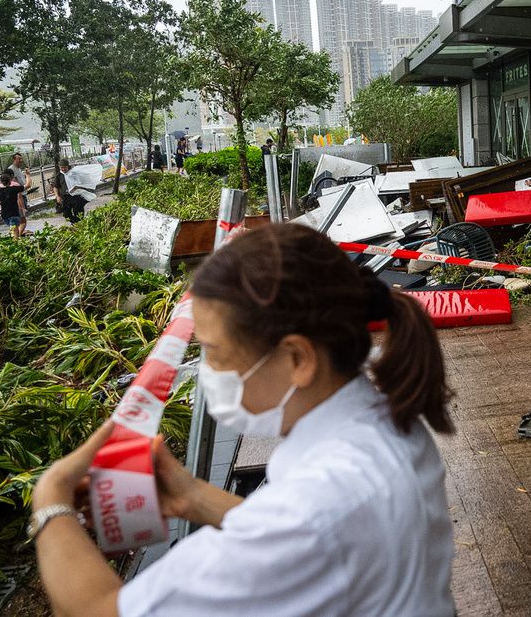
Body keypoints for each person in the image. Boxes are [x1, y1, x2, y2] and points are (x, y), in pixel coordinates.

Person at [31, 223, 457, 616]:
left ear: (298, 359)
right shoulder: (384, 421)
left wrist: (50, 500)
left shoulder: (317, 506)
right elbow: (301, 543)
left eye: (214, 353)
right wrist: (193, 496)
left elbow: (97, 610)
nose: (208, 372)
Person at [0, 172, 25, 239]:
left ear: (1, 182)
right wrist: (28, 175)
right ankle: (16, 245)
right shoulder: (13, 189)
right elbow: (28, 185)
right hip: (14, 214)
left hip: (5, 215)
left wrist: (1, 203)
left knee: (14, 230)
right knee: (15, 232)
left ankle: (15, 241)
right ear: (10, 181)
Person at [8, 152, 32, 235]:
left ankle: (16, 235)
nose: (21, 160)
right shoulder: (11, 170)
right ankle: (16, 237)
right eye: (19, 159)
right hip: (19, 196)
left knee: (20, 220)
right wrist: (28, 175)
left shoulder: (18, 169)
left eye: (21, 158)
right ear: (14, 159)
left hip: (22, 195)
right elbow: (19, 188)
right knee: (22, 220)